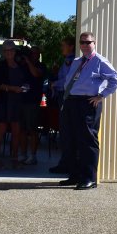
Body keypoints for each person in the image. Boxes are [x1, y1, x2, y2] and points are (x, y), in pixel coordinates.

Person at [57, 31, 117, 190]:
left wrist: (101, 96)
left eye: (88, 42)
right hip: (71, 102)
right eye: (82, 42)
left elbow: (115, 79)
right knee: (70, 139)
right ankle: (75, 175)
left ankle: (89, 178)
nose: (85, 45)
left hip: (87, 103)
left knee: (87, 140)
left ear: (94, 43)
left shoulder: (99, 61)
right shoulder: (77, 61)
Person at [0, 39, 29, 169]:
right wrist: (13, 89)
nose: (9, 53)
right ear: (3, 52)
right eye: (6, 50)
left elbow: (26, 80)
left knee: (16, 131)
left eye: (11, 50)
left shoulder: (20, 66)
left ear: (14, 51)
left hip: (17, 103)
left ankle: (14, 158)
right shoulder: (0, 67)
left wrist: (24, 87)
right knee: (1, 130)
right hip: (4, 102)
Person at [48, 35, 77, 174]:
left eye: (63, 45)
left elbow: (68, 80)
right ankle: (66, 162)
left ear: (71, 46)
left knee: (66, 132)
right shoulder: (67, 60)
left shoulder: (70, 61)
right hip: (64, 97)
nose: (61, 48)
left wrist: (55, 84)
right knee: (65, 132)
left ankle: (67, 163)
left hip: (66, 97)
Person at [17, 46, 46, 165]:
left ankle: (33, 155)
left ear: (38, 54)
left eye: (34, 53)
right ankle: (23, 153)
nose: (32, 55)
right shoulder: (23, 65)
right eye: (31, 53)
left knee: (32, 129)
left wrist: (29, 62)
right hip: (22, 100)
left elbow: (36, 74)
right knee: (22, 129)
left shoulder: (41, 66)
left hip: (33, 102)